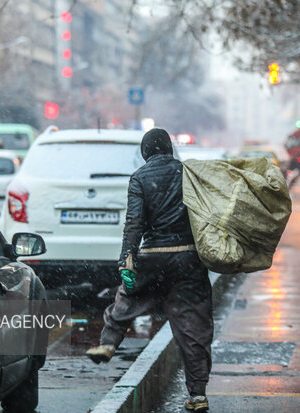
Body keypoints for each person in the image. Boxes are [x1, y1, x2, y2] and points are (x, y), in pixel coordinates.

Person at [86, 128, 213, 412]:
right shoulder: (187, 173)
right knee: (194, 328)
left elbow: (134, 224)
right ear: (169, 149)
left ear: (145, 152)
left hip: (153, 256)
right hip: (187, 258)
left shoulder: (140, 177)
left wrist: (125, 261)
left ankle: (108, 343)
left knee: (128, 298)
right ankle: (197, 395)